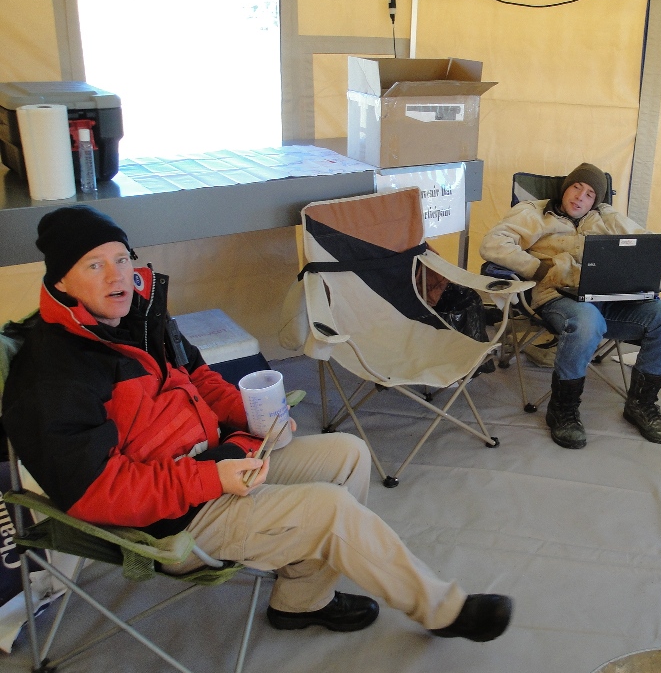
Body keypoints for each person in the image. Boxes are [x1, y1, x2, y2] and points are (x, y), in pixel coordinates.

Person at [2, 205, 512, 641]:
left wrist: (255, 417)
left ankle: (301, 598)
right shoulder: (51, 370)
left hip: (217, 461)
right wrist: (209, 478)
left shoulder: (138, 314)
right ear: (61, 280)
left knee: (348, 453)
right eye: (95, 265)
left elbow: (198, 376)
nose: (117, 277)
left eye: (120, 258)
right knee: (330, 509)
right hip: (169, 519)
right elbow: (96, 491)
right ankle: (444, 610)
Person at [480, 163, 661, 449]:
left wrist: (611, 216)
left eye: (590, 194)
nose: (580, 197)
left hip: (607, 298)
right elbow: (492, 244)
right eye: (577, 187)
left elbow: (649, 248)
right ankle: (562, 409)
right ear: (566, 187)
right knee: (588, 321)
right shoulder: (534, 212)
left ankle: (642, 404)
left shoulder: (604, 218)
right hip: (557, 297)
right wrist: (538, 269)